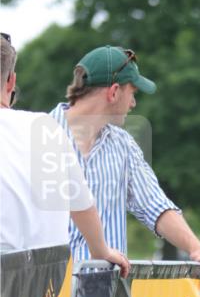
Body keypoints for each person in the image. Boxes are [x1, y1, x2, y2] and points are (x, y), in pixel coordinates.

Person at [49, 45, 200, 287]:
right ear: (114, 92)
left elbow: (154, 205)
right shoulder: (37, 136)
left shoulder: (123, 145)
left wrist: (196, 248)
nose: (134, 104)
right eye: (133, 92)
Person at [0, 33, 128, 274]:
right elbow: (82, 204)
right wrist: (102, 250)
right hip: (48, 292)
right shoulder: (45, 127)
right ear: (11, 81)